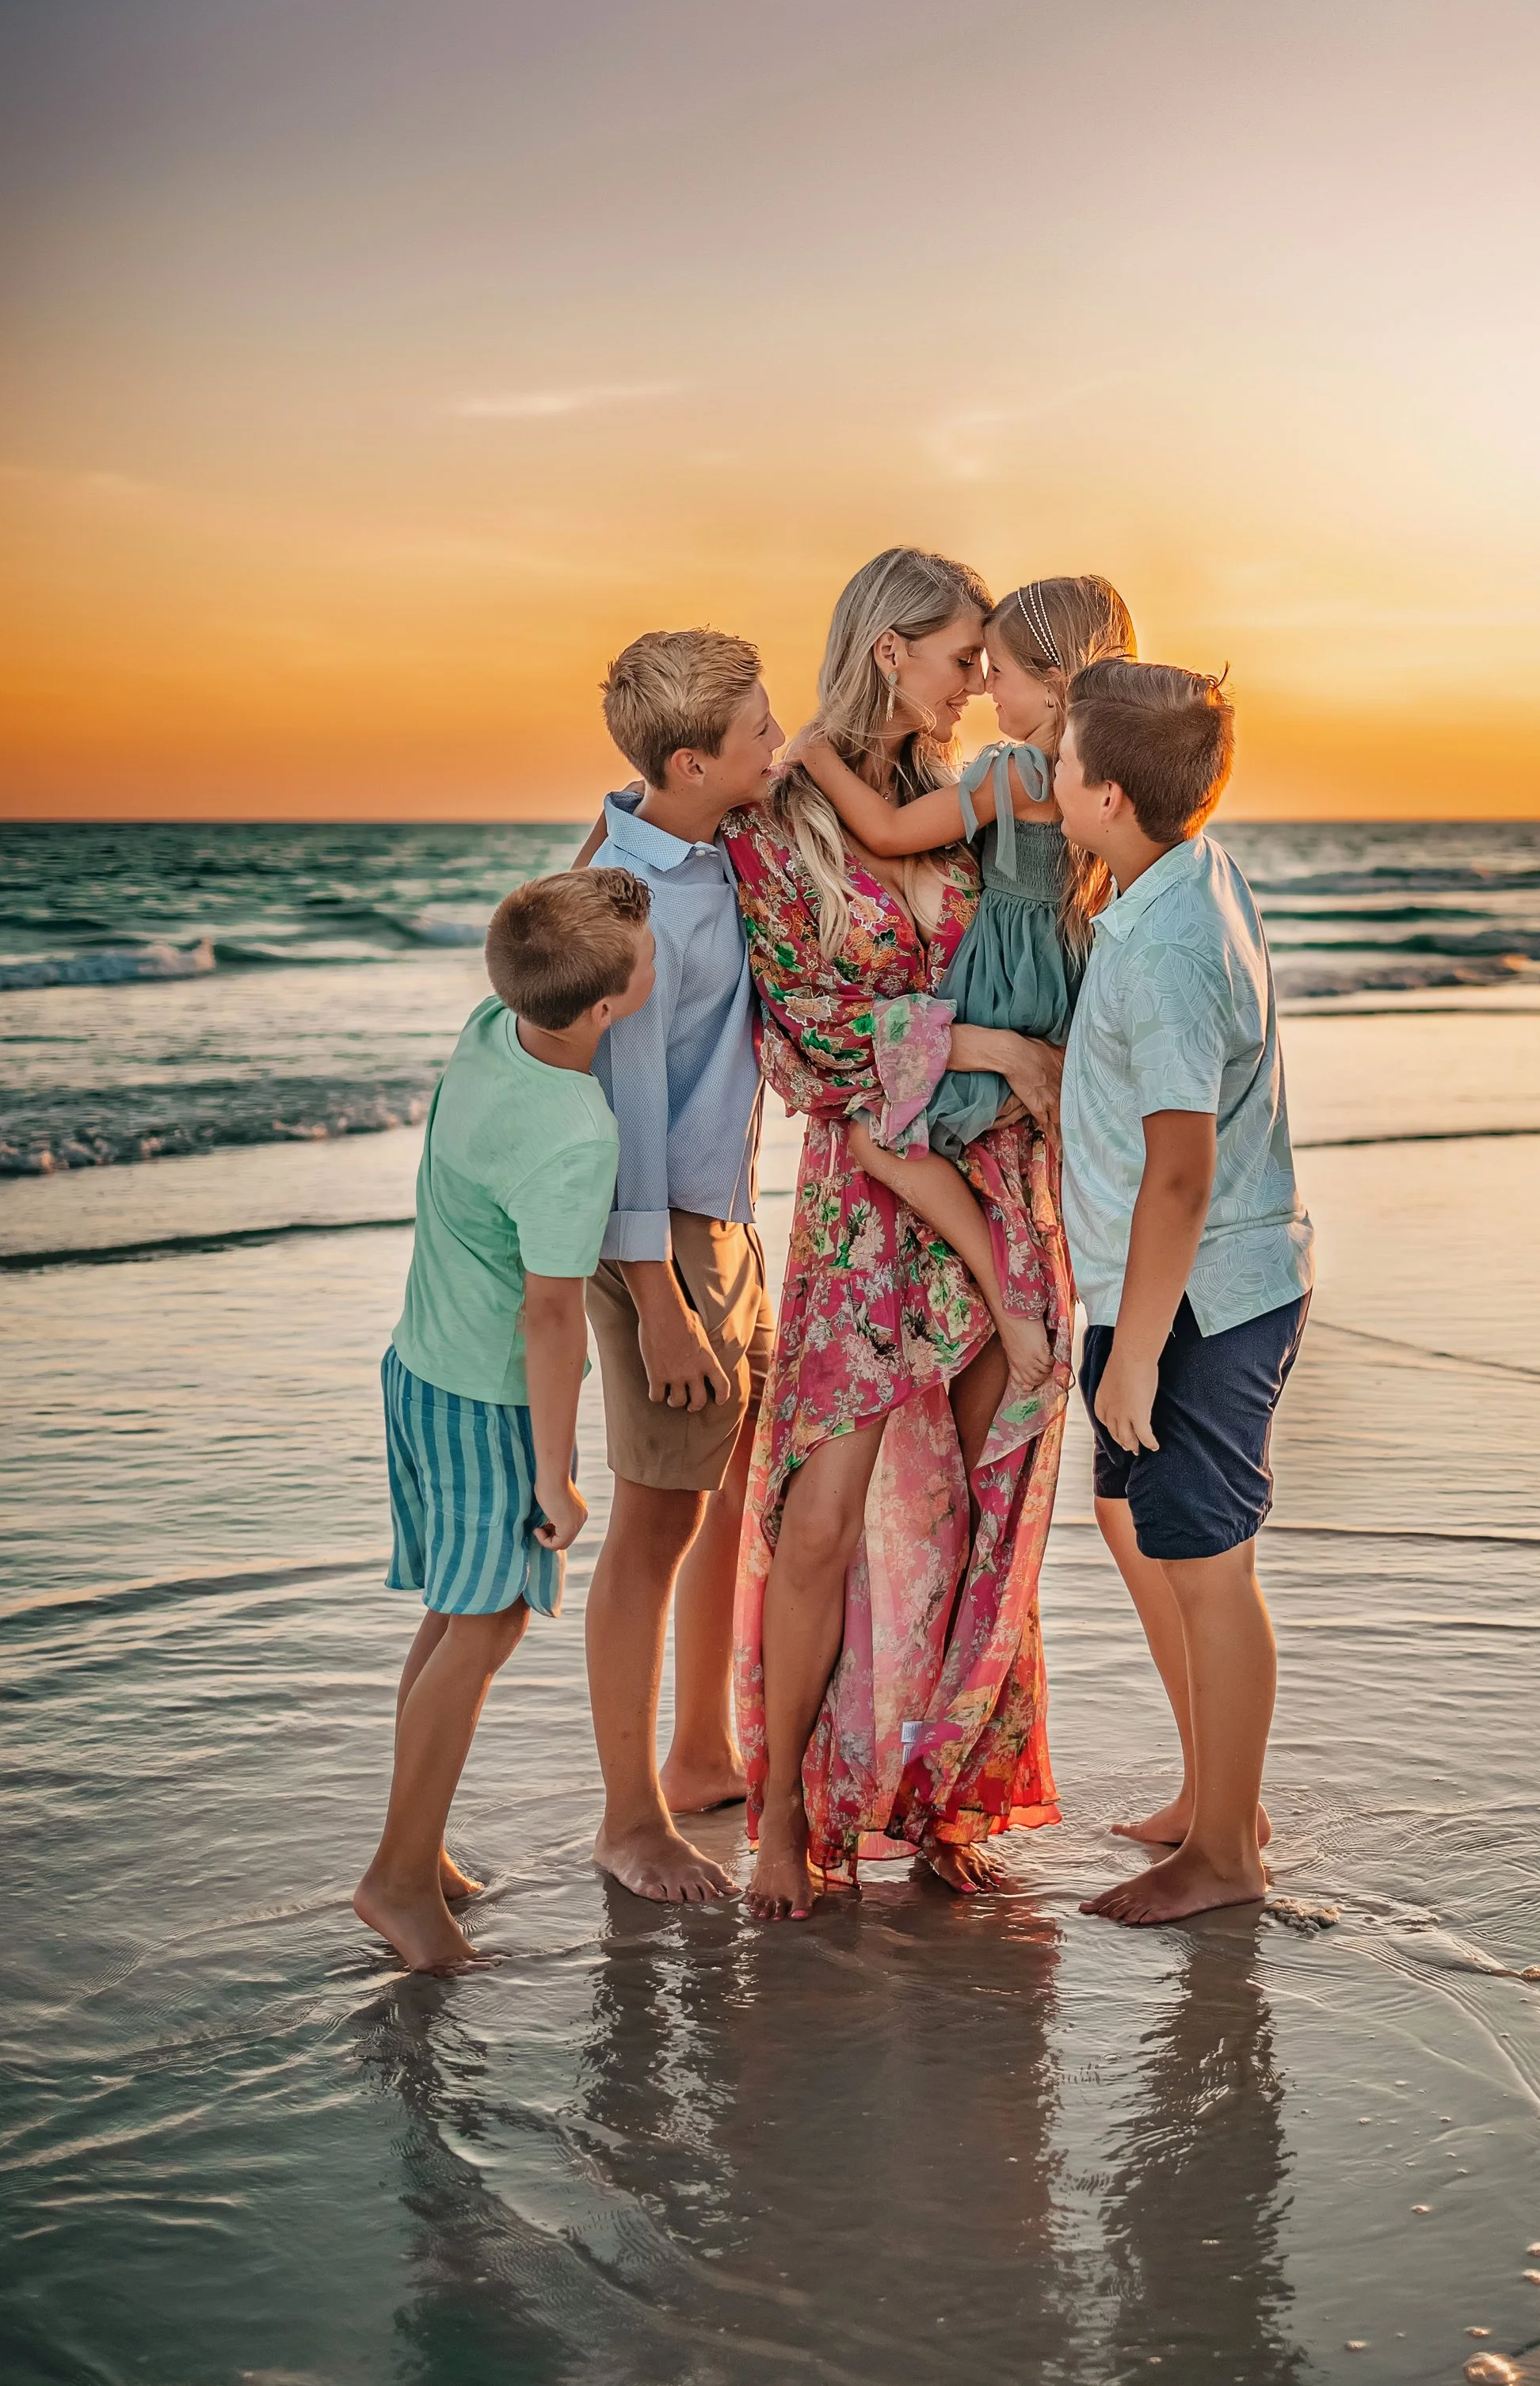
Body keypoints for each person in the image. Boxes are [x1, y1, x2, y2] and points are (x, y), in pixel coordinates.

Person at [723, 545, 1073, 1919]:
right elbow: (803, 1039)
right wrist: (979, 1035)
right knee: (822, 1524)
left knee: (986, 1512)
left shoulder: (971, 799)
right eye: (961, 656)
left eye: (991, 659)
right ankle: (775, 1826)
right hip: (867, 1217)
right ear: (889, 650)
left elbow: (1042, 946)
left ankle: (943, 1805)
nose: (978, 681)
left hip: (991, 1178)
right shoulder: (782, 820)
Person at [355, 866, 655, 1973]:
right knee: (486, 1629)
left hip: (417, 1369)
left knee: (451, 1614)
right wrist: (554, 1475)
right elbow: (550, 1316)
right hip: (491, 1401)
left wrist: (591, 875)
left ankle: (415, 1851)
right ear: (610, 1008)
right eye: (643, 954)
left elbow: (544, 940)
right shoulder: (576, 1133)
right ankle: (394, 1877)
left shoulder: (493, 1025)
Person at [1053, 661, 1314, 1927]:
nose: (1043, 777)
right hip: (1168, 1292)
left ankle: (1227, 1851)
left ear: (1106, 796)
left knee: (1211, 1564)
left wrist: (1138, 1350)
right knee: (1132, 1519)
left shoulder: (1162, 946)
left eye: (1059, 763)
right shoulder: (1185, 870)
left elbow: (1182, 1169)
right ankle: (1221, 1796)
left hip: (1194, 1302)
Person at [783, 573, 1135, 1400]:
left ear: (1051, 683)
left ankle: (1006, 1300)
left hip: (1000, 994)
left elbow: (887, 830)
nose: (984, 686)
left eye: (997, 670)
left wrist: (814, 755)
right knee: (987, 1125)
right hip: (1056, 989)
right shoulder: (1089, 776)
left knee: (876, 1134)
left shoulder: (1014, 773)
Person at [567, 627, 787, 1906]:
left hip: (726, 1224)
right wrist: (656, 1301)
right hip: (656, 1242)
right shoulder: (634, 908)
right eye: (758, 731)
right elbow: (625, 1119)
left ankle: (704, 1751)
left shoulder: (694, 840)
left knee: (717, 1503)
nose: (781, 741)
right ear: (694, 760)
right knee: (653, 1526)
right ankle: (628, 1816)